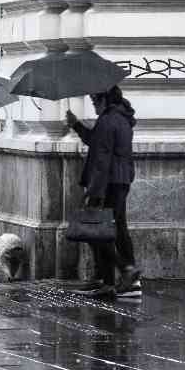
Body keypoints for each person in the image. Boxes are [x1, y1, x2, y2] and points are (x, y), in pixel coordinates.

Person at [65, 86, 139, 300]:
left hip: (109, 181)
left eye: (94, 101)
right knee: (117, 228)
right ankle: (115, 280)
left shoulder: (108, 120)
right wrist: (77, 125)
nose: (93, 105)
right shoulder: (120, 117)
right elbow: (98, 143)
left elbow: (102, 159)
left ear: (104, 99)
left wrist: (94, 192)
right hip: (121, 179)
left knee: (99, 231)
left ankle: (124, 272)